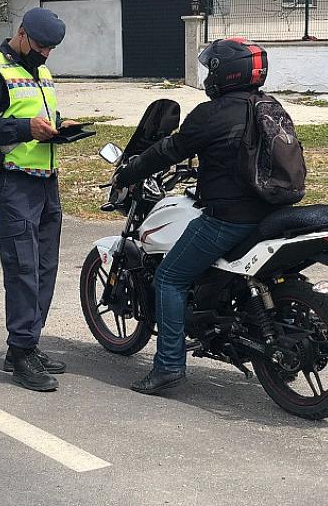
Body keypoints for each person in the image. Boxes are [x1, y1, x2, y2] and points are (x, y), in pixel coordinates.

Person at [114, 37, 281, 395]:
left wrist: (131, 170)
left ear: (226, 74)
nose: (207, 77)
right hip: (272, 211)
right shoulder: (269, 106)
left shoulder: (212, 114)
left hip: (229, 218)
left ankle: (169, 366)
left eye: (211, 70)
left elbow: (170, 149)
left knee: (170, 278)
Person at [0, 7, 77, 392]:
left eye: (51, 49)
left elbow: (37, 116)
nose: (46, 54)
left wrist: (59, 127)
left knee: (45, 265)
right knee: (23, 266)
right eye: (42, 46)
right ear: (22, 34)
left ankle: (27, 342)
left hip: (45, 180)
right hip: (10, 182)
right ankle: (22, 351)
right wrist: (26, 129)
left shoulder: (40, 71)